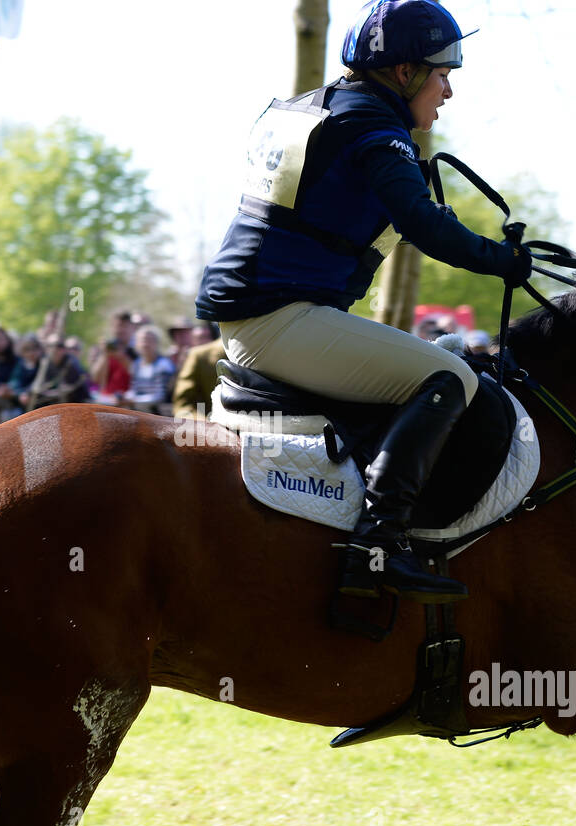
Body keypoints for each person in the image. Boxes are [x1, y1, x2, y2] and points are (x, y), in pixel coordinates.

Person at [194, 0, 531, 603]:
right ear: (403, 73)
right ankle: (376, 548)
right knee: (449, 376)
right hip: (279, 321)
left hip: (265, 314)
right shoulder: (374, 126)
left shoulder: (327, 109)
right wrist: (501, 260)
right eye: (442, 73)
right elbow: (423, 225)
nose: (448, 90)